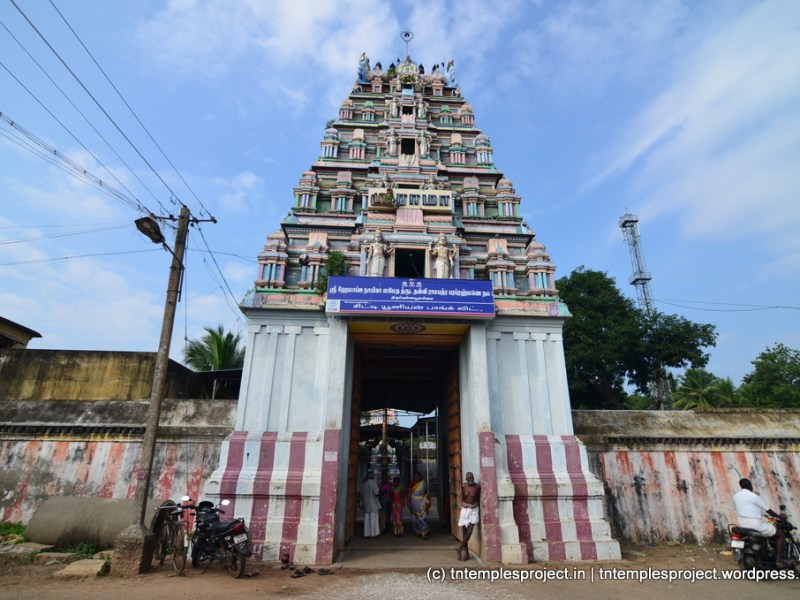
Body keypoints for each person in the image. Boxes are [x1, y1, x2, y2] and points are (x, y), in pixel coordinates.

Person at [733, 478, 792, 567]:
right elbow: (768, 510)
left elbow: (746, 508)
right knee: (780, 534)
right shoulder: (753, 496)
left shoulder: (735, 496)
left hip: (742, 524)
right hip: (755, 525)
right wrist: (779, 516)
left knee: (766, 533)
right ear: (750, 486)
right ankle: (779, 560)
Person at [457, 472, 480, 561]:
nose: (471, 479)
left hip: (474, 510)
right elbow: (462, 497)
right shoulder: (463, 486)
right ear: (466, 479)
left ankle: (459, 549)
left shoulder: (477, 487)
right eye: (469, 478)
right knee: (464, 532)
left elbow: (478, 498)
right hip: (465, 510)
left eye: (472, 477)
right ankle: (466, 553)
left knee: (469, 531)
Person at [407, 471, 431, 539]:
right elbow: (409, 494)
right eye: (415, 476)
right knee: (414, 519)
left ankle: (424, 532)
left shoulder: (423, 483)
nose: (417, 477)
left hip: (422, 502)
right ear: (414, 477)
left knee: (423, 517)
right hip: (413, 503)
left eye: (418, 476)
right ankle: (417, 531)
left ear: (420, 476)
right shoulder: (411, 484)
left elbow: (426, 493)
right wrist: (408, 503)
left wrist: (428, 501)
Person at [361, 471, 381, 538]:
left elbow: (362, 494)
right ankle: (373, 534)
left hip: (366, 504)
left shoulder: (364, 484)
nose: (373, 476)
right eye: (372, 475)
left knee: (366, 519)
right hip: (373, 504)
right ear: (371, 476)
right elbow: (376, 492)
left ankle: (366, 534)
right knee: (373, 519)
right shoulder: (373, 483)